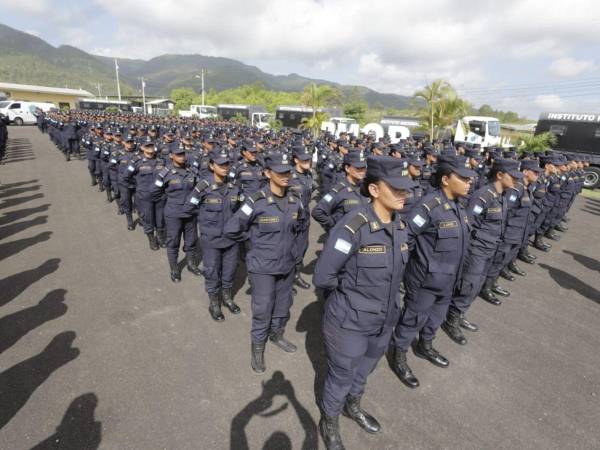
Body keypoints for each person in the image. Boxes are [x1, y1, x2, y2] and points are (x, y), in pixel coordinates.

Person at [314, 156, 413, 449]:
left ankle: (353, 406)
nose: (402, 194)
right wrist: (348, 302)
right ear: (373, 190)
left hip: (383, 321)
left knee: (364, 370)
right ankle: (329, 420)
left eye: (404, 188)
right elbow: (323, 277)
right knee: (341, 375)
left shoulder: (400, 226)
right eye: (394, 188)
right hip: (350, 322)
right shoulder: (352, 227)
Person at [391, 155, 473, 387]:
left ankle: (425, 345)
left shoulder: (459, 206)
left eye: (470, 179)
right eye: (463, 178)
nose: (469, 183)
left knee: (436, 318)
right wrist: (413, 271)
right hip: (425, 279)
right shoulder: (428, 206)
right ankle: (399, 355)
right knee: (412, 319)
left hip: (449, 278)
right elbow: (407, 239)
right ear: (446, 180)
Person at [224, 152, 307, 374]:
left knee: (283, 305)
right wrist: (252, 242)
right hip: (262, 266)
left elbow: (300, 226)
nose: (286, 176)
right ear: (267, 173)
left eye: (288, 172)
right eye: (280, 172)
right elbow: (233, 228)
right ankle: (257, 348)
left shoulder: (294, 200)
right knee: (262, 308)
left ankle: (277, 334)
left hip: (286, 265)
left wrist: (295, 253)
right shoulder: (256, 201)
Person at [442, 159, 522, 347]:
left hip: (490, 248)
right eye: (513, 177)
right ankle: (451, 320)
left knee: (476, 284)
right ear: (500, 175)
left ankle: (460, 314)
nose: (516, 181)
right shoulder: (483, 196)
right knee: (467, 284)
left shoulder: (502, 195)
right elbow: (468, 224)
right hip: (477, 249)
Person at [187, 147, 242, 321]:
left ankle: (226, 297)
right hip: (211, 239)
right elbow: (190, 207)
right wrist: (206, 222)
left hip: (231, 239)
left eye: (227, 164)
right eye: (221, 164)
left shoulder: (234, 186)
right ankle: (214, 303)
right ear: (212, 166)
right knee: (211, 272)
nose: (225, 167)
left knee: (229, 271)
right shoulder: (203, 187)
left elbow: (240, 209)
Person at [152, 145, 201, 282]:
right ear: (171, 156)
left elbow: (199, 189)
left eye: (183, 154)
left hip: (190, 213)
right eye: (178, 154)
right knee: (173, 242)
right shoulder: (164, 173)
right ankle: (174, 269)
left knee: (191, 241)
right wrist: (167, 201)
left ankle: (191, 264)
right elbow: (154, 191)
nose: (181, 157)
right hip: (174, 213)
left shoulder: (192, 171)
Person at [312, 151, 368, 232]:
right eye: (358, 168)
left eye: (364, 168)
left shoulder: (364, 187)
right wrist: (334, 225)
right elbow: (317, 212)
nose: (362, 171)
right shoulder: (339, 191)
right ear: (347, 168)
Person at [127, 139, 167, 249]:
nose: (150, 148)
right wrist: (138, 187)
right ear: (142, 148)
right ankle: (151, 239)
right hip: (145, 197)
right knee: (148, 218)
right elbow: (126, 176)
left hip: (160, 196)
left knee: (160, 218)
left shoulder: (161, 161)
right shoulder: (136, 161)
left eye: (151, 146)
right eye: (147, 146)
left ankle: (160, 237)